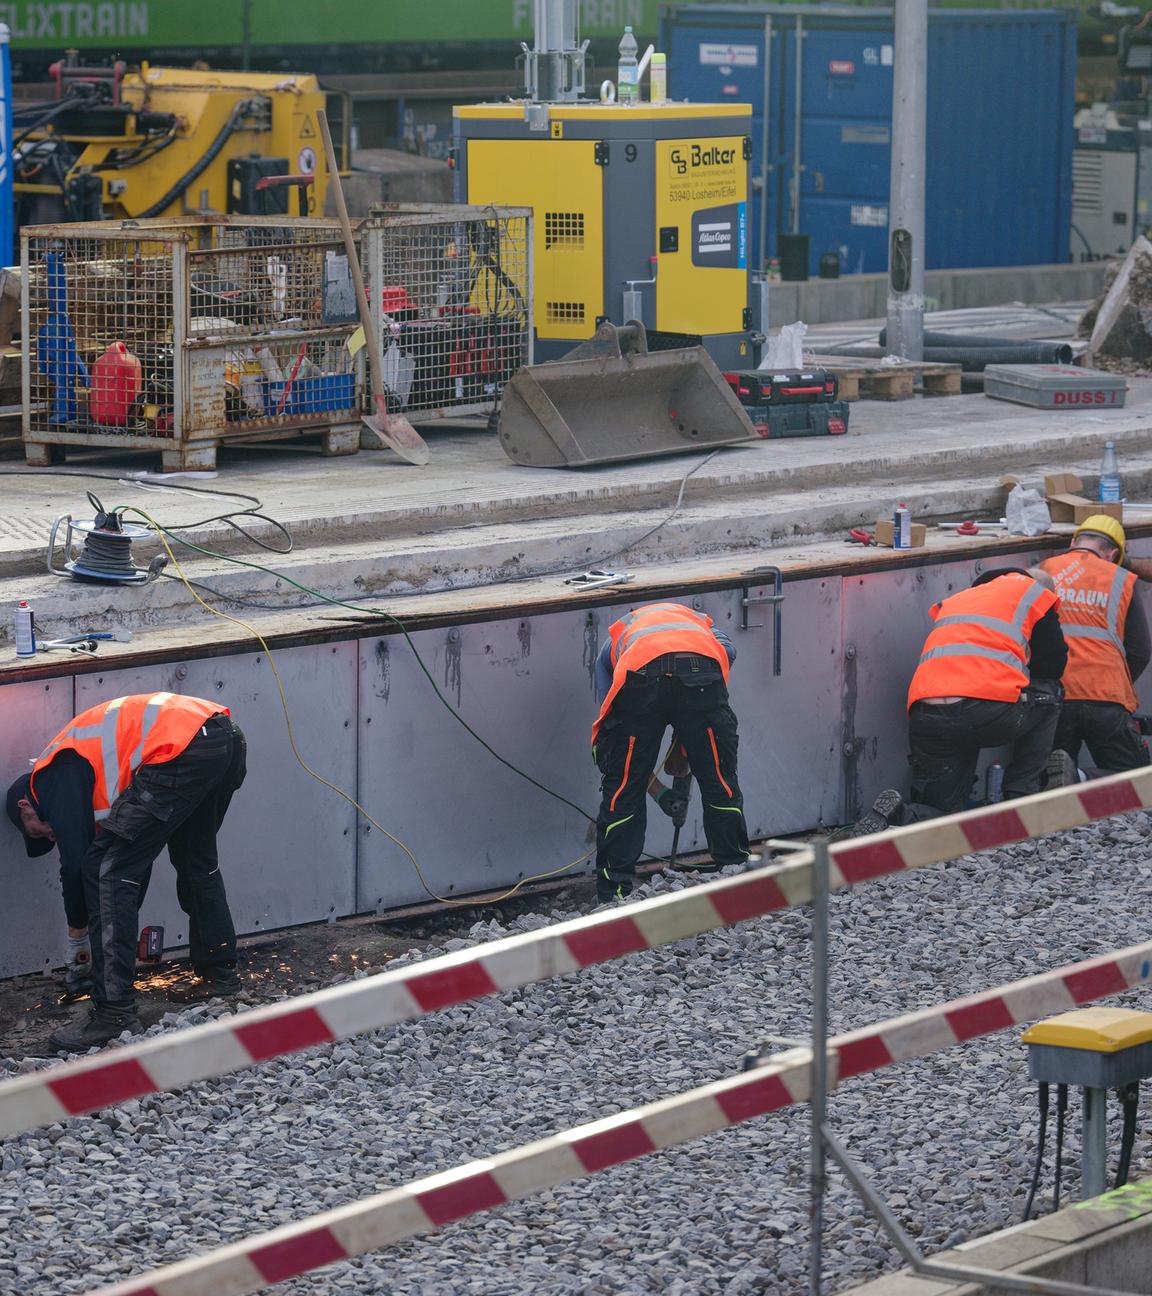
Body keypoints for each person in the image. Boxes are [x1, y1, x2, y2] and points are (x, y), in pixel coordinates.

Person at [5, 692, 247, 1050]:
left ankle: (114, 1012)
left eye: (38, 833)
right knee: (195, 861)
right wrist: (110, 939)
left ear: (26, 807)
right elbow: (134, 863)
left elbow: (78, 866)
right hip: (220, 738)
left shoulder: (51, 776)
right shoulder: (87, 773)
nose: (51, 836)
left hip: (181, 747)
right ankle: (220, 974)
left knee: (105, 868)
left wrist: (78, 939)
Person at [854, 568, 1067, 833]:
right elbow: (1054, 665)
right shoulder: (1034, 593)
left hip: (926, 713)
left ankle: (899, 816)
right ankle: (1020, 800)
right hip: (984, 711)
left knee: (947, 818)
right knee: (1051, 694)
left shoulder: (960, 599)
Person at [591, 601, 752, 901]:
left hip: (639, 675)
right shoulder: (702, 624)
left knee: (622, 787)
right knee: (720, 779)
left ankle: (614, 895)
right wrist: (691, 738)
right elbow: (723, 658)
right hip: (701, 675)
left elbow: (616, 737)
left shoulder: (612, 645)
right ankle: (736, 877)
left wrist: (676, 750)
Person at [1040, 516, 1151, 775]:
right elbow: (1140, 651)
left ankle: (1072, 784)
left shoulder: (1042, 570)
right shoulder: (1122, 579)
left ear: (1073, 542)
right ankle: (1082, 779)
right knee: (1134, 782)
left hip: (1055, 696)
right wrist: (1115, 685)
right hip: (1106, 695)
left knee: (1052, 779)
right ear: (1112, 554)